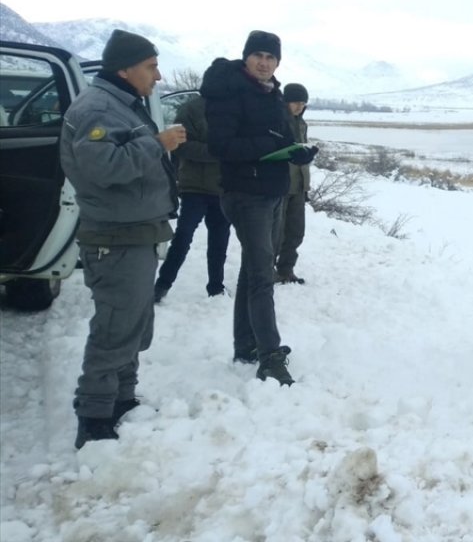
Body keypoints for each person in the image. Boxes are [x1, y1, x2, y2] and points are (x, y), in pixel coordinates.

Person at [59, 29, 183, 448]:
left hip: (134, 231)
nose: (158, 75)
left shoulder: (121, 104)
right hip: (115, 236)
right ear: (124, 69)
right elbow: (105, 168)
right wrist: (158, 143)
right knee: (115, 327)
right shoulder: (98, 109)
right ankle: (94, 416)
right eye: (150, 67)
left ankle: (122, 399)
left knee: (133, 322)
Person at [203, 30, 317, 386]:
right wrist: (265, 145)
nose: (265, 63)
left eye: (271, 57)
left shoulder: (272, 93)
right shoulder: (229, 91)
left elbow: (278, 137)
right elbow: (220, 146)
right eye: (259, 56)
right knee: (262, 277)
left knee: (254, 270)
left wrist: (295, 151)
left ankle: (245, 344)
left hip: (272, 190)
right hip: (245, 193)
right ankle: (269, 356)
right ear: (246, 57)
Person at [153, 95, 231, 302]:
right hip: (194, 186)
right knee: (183, 237)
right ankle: (162, 285)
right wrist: (217, 152)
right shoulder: (192, 109)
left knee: (220, 240)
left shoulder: (234, 109)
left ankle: (216, 288)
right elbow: (180, 145)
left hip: (222, 187)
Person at [274, 83, 310, 284]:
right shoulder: (278, 121)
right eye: (296, 102)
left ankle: (286, 269)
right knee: (275, 234)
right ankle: (267, 269)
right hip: (280, 183)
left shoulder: (302, 123)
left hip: (299, 185)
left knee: (296, 232)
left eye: (303, 103)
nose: (299, 106)